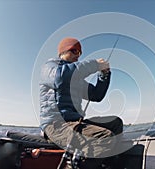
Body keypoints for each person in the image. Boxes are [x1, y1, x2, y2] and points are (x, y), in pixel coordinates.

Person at [39, 37, 123, 168]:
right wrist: (95, 65)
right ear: (62, 52)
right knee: (105, 137)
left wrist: (104, 75)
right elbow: (60, 78)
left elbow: (96, 95)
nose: (77, 55)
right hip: (55, 125)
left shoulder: (77, 81)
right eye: (74, 51)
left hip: (75, 122)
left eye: (80, 53)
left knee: (116, 123)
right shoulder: (49, 68)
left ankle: (105, 164)